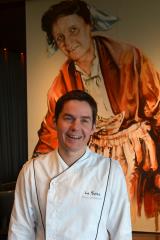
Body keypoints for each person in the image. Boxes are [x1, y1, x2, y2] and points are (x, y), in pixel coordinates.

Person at [33, 0, 160, 221]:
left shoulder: (128, 57)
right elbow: (50, 133)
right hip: (92, 159)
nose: (68, 42)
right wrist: (36, 171)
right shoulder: (59, 84)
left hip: (134, 157)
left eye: (73, 30)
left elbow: (157, 108)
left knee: (126, 219)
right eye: (60, 37)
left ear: (88, 25)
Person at [8, 90, 132, 240]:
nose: (75, 127)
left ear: (93, 127)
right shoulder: (32, 170)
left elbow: (121, 232)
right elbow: (20, 230)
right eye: (68, 118)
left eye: (84, 120)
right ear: (55, 122)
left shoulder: (110, 170)